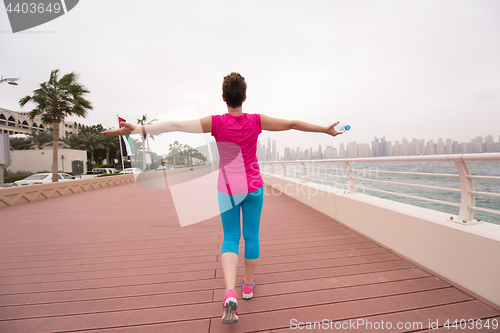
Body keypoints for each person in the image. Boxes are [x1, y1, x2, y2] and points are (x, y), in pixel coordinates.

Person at [102, 72, 342, 324]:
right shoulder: (256, 120)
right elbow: (292, 123)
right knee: (251, 236)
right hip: (253, 187)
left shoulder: (216, 123)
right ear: (244, 97)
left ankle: (230, 292)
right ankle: (247, 286)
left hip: (228, 188)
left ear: (223, 98)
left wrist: (139, 128)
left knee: (230, 237)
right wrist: (324, 130)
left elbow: (176, 125)